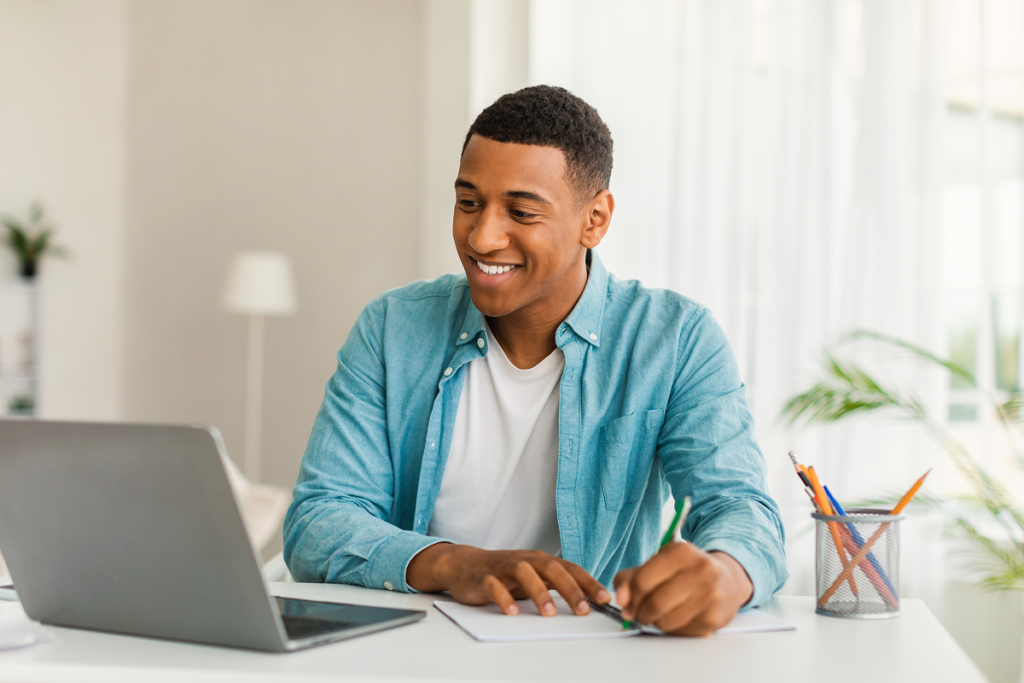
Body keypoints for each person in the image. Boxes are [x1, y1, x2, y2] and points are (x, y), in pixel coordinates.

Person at [284, 85, 787, 636]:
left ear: (594, 219)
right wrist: (457, 563)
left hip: (593, 654)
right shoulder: (393, 328)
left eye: (521, 211)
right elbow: (318, 522)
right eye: (468, 202)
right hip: (416, 655)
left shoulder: (675, 339)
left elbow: (741, 508)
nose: (482, 236)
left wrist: (727, 572)